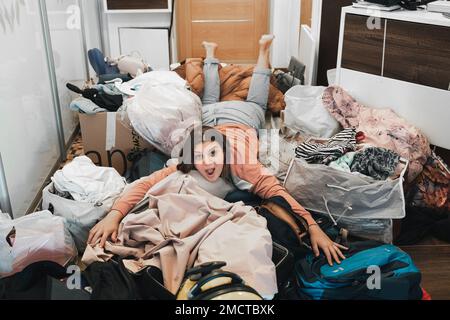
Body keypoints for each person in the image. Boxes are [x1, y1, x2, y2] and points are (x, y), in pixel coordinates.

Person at [88, 35, 347, 266]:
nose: (207, 163)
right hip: (209, 119)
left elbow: (277, 192)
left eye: (213, 154)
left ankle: (261, 53)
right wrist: (114, 215)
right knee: (209, 100)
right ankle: (211, 54)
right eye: (199, 157)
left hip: (244, 117)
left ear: (223, 152)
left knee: (256, 99)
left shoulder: (242, 163)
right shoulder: (189, 158)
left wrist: (313, 227)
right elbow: (144, 184)